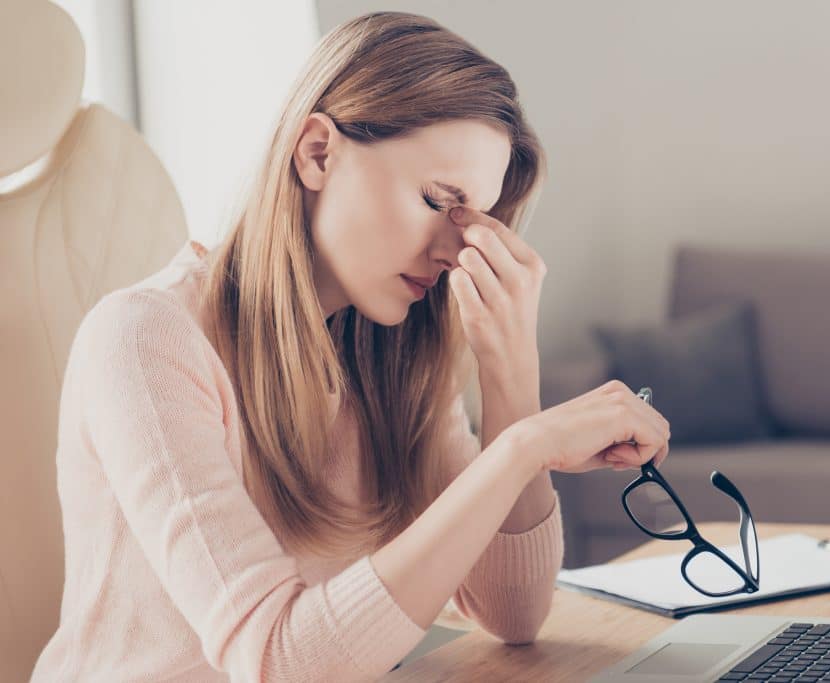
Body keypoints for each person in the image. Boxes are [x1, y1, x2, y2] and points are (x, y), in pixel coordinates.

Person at [31, 11, 671, 682]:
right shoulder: (144, 339)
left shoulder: (394, 356)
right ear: (317, 153)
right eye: (435, 199)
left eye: (473, 221)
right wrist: (524, 446)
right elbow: (278, 659)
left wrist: (510, 373)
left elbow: (510, 612)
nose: (455, 250)